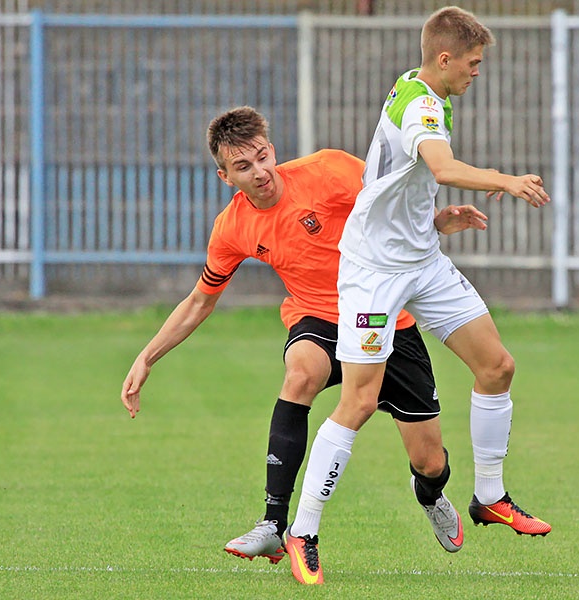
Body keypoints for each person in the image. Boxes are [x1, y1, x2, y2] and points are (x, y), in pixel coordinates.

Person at [120, 106, 488, 578]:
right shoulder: (232, 228)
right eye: (243, 168)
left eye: (261, 157)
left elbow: (395, 208)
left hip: (384, 316)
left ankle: (431, 494)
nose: (259, 173)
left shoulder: (328, 171)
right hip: (317, 317)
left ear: (271, 150)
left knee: (430, 460)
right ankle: (274, 524)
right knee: (301, 372)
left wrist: (438, 221)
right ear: (225, 177)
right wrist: (146, 357)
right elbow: (199, 301)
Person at [286, 6, 552, 585]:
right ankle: (301, 532)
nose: (479, 72)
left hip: (422, 260)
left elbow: (397, 176)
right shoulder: (423, 103)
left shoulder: (424, 86)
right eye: (474, 63)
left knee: (497, 366)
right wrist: (507, 180)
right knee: (358, 402)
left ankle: (489, 496)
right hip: (374, 272)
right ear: (445, 58)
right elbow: (440, 162)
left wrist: (431, 220)